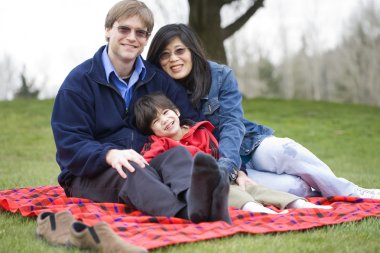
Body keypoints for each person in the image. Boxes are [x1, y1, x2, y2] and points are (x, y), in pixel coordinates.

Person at [146, 23, 380, 199]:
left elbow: (231, 123)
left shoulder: (218, 75)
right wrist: (234, 173)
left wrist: (229, 165)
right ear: (158, 60)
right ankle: (317, 193)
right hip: (219, 165)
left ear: (192, 51)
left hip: (246, 145)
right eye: (165, 54)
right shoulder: (159, 95)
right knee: (297, 188)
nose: (173, 59)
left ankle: (350, 191)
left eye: (179, 51)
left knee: (287, 152)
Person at [51, 0, 231, 224]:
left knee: (177, 155)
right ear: (108, 30)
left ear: (146, 40)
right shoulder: (78, 83)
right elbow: (69, 144)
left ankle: (198, 200)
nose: (132, 37)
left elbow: (188, 118)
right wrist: (110, 154)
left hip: (147, 161)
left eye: (140, 32)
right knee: (132, 169)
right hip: (89, 174)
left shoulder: (156, 78)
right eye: (124, 29)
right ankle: (184, 214)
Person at [134, 93, 332, 214]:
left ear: (176, 111)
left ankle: (297, 204)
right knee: (230, 193)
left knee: (254, 188)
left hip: (223, 173)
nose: (164, 120)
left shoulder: (202, 131)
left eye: (166, 113)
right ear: (153, 131)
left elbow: (222, 154)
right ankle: (255, 209)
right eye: (156, 121)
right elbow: (148, 163)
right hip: (200, 184)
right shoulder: (159, 143)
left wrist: (237, 172)